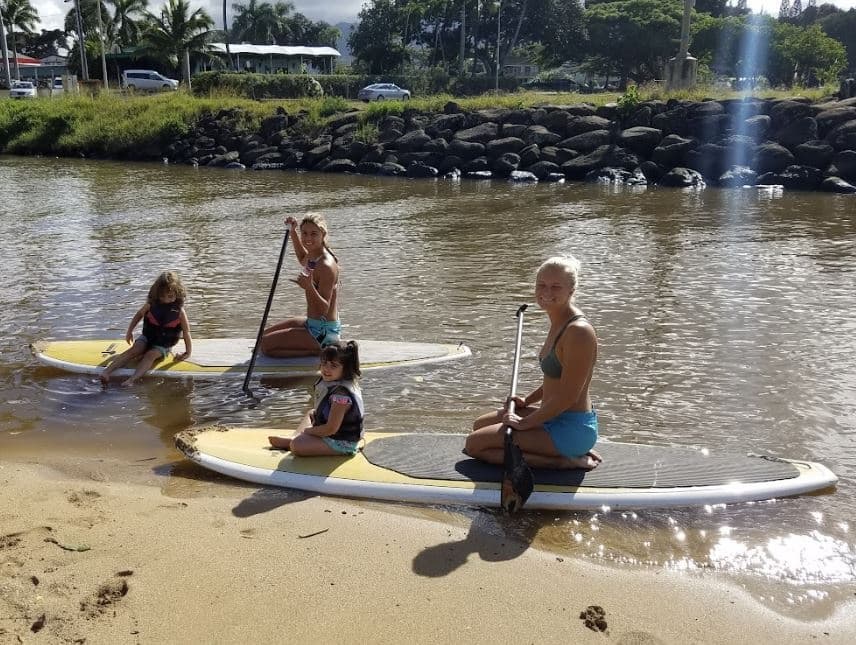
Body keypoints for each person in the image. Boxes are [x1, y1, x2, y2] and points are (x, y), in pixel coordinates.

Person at [465, 256, 602, 470]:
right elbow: (556, 377)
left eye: (556, 286)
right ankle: (561, 450)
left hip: (570, 427)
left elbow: (569, 395)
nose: (546, 292)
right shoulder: (558, 321)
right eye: (541, 285)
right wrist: (527, 400)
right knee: (479, 426)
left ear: (571, 291)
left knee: (474, 445)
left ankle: (563, 460)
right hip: (552, 415)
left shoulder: (578, 332)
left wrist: (525, 423)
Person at [260, 214, 340, 357]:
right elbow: (303, 259)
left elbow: (323, 309)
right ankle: (313, 346)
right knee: (263, 336)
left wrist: (309, 287)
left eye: (314, 234)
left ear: (323, 234)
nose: (308, 238)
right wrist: (293, 232)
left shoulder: (326, 265)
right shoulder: (313, 255)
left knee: (266, 345)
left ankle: (321, 349)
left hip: (323, 332)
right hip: (312, 323)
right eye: (304, 233)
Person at [268, 341, 364, 456]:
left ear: (346, 368)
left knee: (297, 445)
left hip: (341, 442)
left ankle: (295, 440)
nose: (326, 369)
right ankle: (294, 438)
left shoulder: (341, 396)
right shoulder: (333, 382)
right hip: (329, 434)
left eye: (333, 365)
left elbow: (331, 429)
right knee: (311, 413)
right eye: (324, 363)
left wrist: (308, 431)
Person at [100, 271, 192, 387]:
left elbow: (186, 332)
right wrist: (130, 331)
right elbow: (138, 315)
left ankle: (131, 380)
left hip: (163, 345)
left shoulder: (179, 312)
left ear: (177, 294)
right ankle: (106, 372)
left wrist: (188, 352)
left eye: (170, 297)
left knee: (150, 355)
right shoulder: (150, 304)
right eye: (162, 296)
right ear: (157, 294)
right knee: (135, 349)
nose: (166, 300)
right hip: (147, 337)